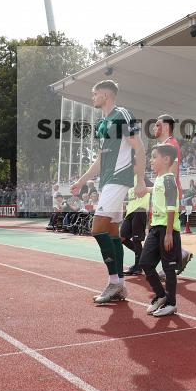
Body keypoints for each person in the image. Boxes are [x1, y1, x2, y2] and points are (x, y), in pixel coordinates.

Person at [70, 80, 147, 304]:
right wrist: (82, 181)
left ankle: (114, 282)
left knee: (97, 229)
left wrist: (140, 180)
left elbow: (139, 146)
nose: (92, 97)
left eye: (94, 94)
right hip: (107, 181)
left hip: (118, 179)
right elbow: (100, 160)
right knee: (113, 233)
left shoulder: (121, 115)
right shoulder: (103, 123)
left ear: (105, 94)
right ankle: (119, 284)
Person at [141, 145, 183, 317]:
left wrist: (169, 233)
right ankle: (160, 295)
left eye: (154, 157)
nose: (150, 160)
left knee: (168, 268)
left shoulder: (169, 179)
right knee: (145, 262)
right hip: (155, 228)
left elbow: (172, 207)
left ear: (166, 159)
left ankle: (171, 303)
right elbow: (156, 190)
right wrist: (145, 189)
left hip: (167, 229)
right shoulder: (159, 179)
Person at [151, 115, 194, 269]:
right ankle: (179, 255)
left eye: (157, 125)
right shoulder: (164, 145)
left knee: (168, 228)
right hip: (162, 192)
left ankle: (172, 262)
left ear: (166, 127)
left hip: (168, 193)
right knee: (163, 228)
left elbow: (173, 173)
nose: (154, 128)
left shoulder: (171, 144)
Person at [120, 176, 150, 276]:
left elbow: (156, 189)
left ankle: (138, 267)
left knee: (137, 240)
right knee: (122, 238)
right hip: (129, 213)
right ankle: (142, 255)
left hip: (140, 211)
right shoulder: (129, 180)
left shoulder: (143, 178)